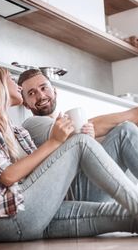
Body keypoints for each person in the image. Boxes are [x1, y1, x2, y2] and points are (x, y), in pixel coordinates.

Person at [0, 67, 138, 243]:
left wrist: (74, 143)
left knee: (126, 215)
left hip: (41, 212)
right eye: (11, 80)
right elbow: (7, 175)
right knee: (80, 142)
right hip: (6, 218)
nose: (18, 85)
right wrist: (56, 142)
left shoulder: (19, 132)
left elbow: (41, 173)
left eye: (44, 88)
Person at [19, 68, 138, 202]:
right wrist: (132, 114)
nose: (40, 96)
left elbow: (79, 145)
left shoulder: (61, 119)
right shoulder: (32, 124)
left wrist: (91, 139)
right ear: (26, 104)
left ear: (55, 91)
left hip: (85, 182)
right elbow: (71, 131)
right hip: (74, 191)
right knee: (125, 132)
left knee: (126, 132)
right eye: (31, 93)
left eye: (44, 88)